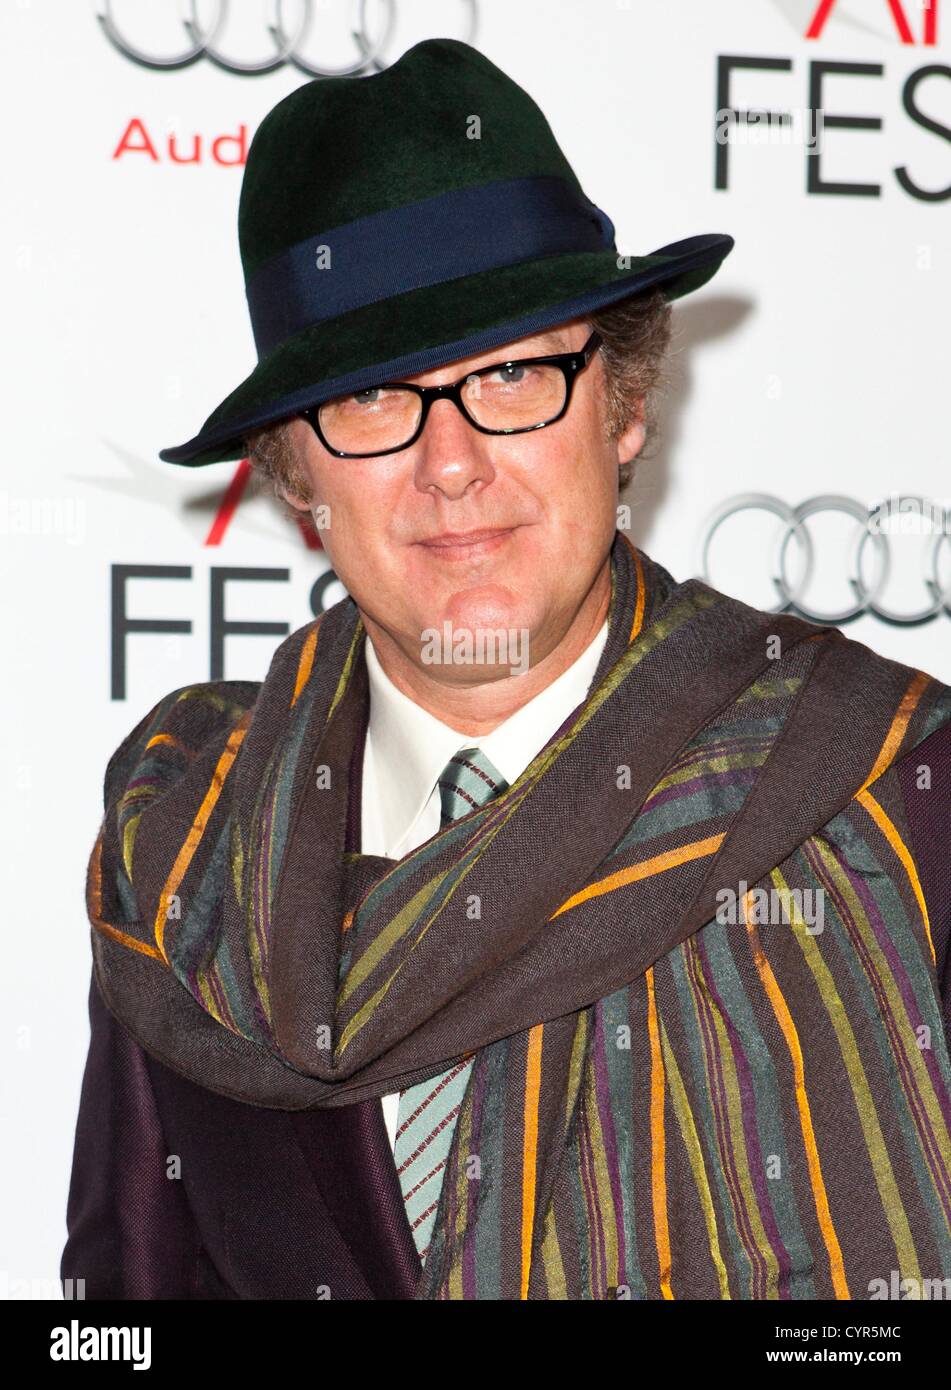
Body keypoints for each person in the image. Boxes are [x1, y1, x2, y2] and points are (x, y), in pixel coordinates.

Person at [62, 38, 951, 1301]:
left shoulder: (891, 783)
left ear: (626, 401)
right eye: (372, 400)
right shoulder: (184, 850)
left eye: (514, 372)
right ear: (298, 474)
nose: (452, 461)